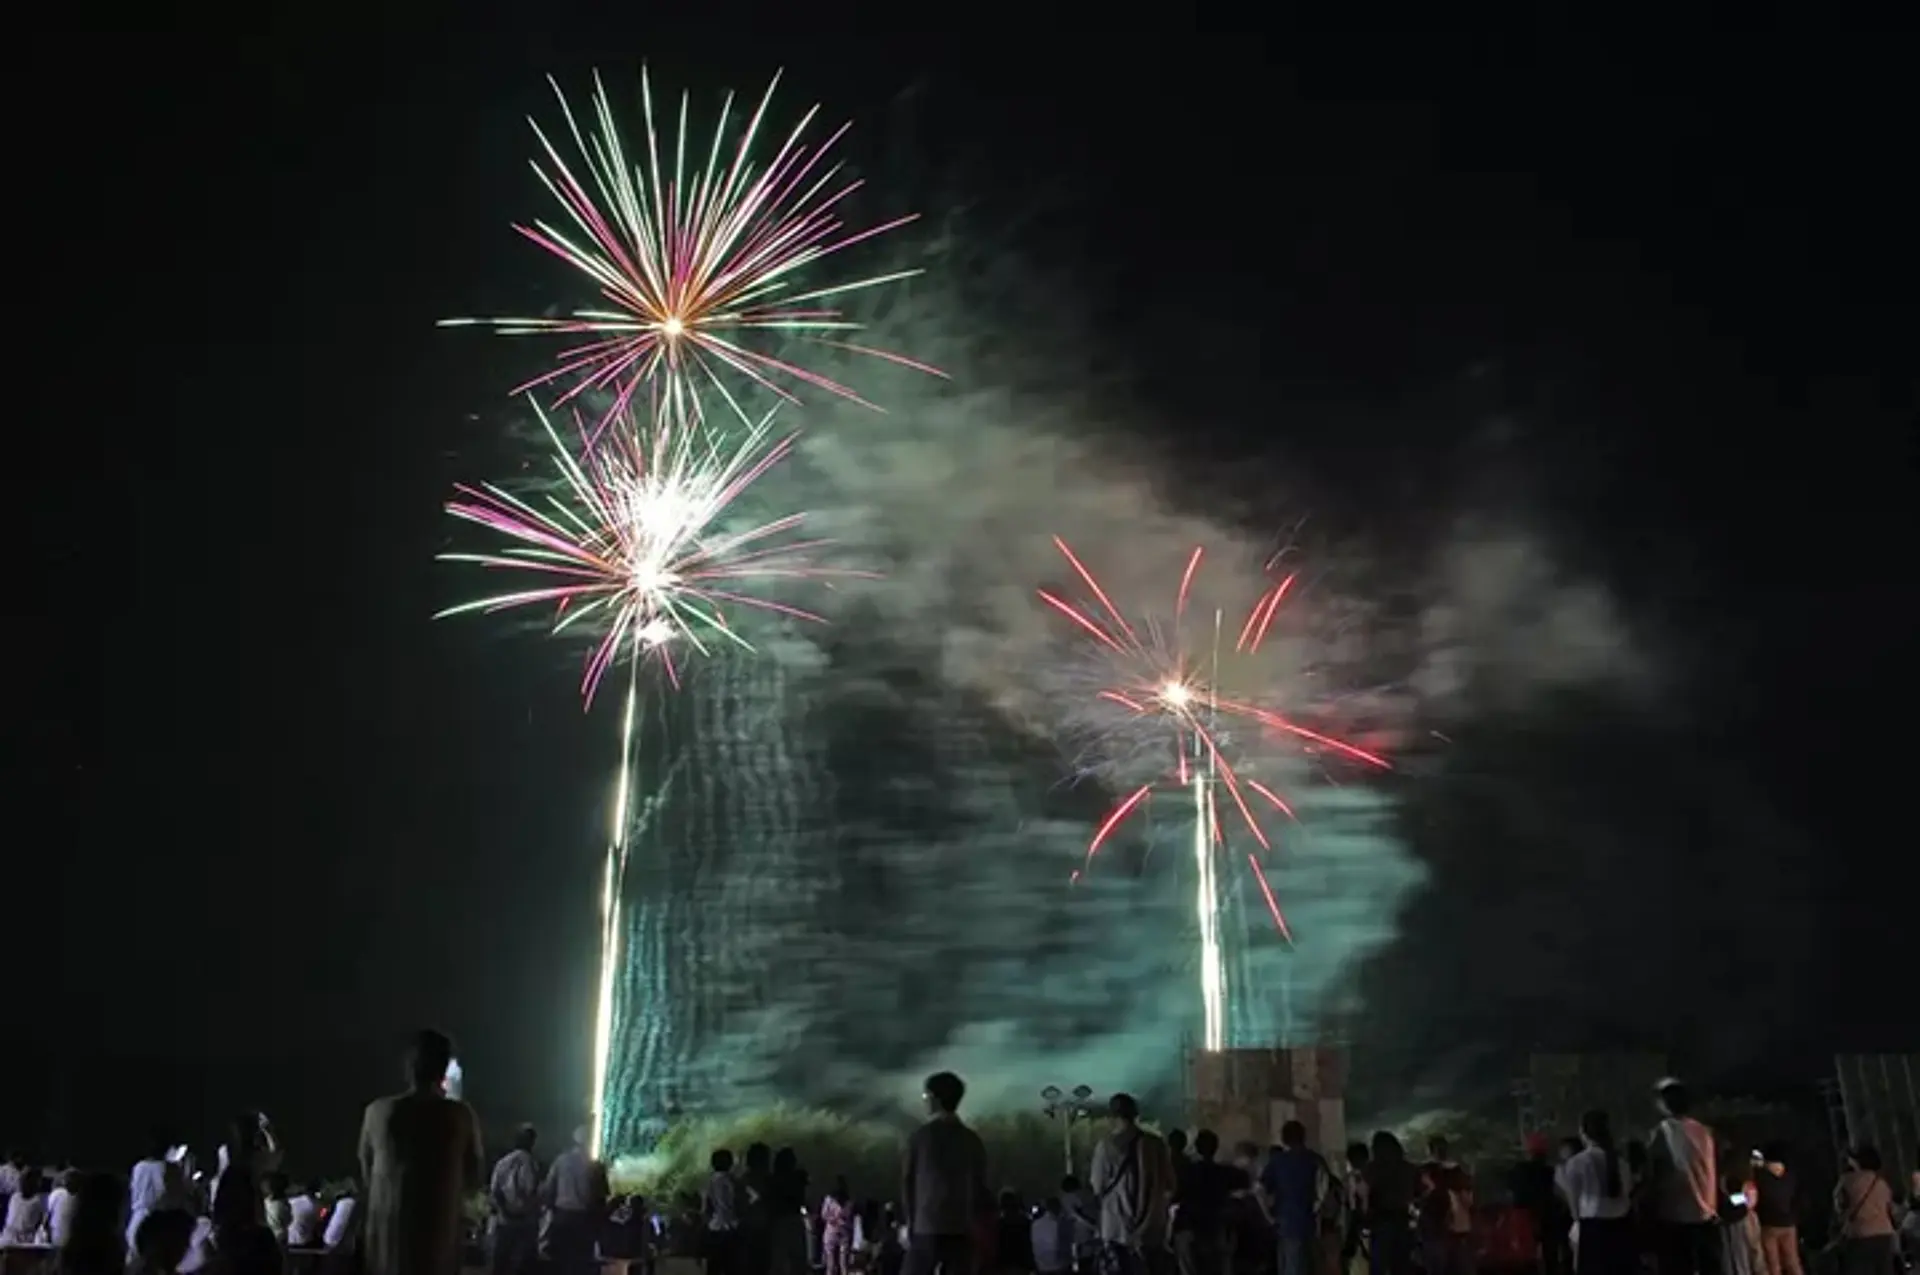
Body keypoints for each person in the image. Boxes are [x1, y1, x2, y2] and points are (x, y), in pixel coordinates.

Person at [358, 1027, 486, 1275]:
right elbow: (474, 1176)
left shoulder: (378, 1112)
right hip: (436, 1246)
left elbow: (366, 1171)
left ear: (408, 1066)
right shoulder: (459, 1116)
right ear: (444, 1069)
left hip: (386, 1247)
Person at [902, 1070, 991, 1275]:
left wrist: (909, 1221)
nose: (924, 1101)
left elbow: (907, 1182)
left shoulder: (921, 1138)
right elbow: (981, 1186)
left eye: (926, 1096)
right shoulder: (971, 1140)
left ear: (935, 1099)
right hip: (961, 1226)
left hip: (926, 1226)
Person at [1089, 1092, 1175, 1275]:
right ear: (1135, 1113)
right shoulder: (1156, 1144)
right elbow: (1170, 1184)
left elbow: (1097, 1186)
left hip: (1116, 1228)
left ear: (1112, 1116)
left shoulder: (1105, 1147)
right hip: (1151, 1228)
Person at [1647, 1079, 1721, 1275]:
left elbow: (1654, 1168)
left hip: (1676, 1212)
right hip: (1706, 1210)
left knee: (1677, 1266)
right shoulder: (1704, 1131)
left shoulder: (1664, 1130)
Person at [1556, 1111, 1635, 1275]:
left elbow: (1574, 1204)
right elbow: (1628, 1191)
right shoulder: (1620, 1162)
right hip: (1622, 1227)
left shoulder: (1577, 1163)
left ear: (1584, 1133)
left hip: (1594, 1230)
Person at [1261, 1122, 1330, 1275]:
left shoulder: (1278, 1161)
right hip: (1310, 1223)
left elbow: (1261, 1189)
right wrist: (1317, 1209)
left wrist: (1268, 1216)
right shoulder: (1315, 1160)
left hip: (1285, 1222)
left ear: (1283, 1138)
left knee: (1289, 1266)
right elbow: (1324, 1189)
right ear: (1303, 1137)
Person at [1174, 1129, 1243, 1275]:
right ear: (1215, 1148)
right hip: (1216, 1228)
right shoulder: (1226, 1173)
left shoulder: (1186, 1172)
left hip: (1188, 1227)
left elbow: (1175, 1195)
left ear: (1197, 1148)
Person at [543, 1125, 605, 1274]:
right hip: (585, 1220)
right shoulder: (596, 1166)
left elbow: (548, 1189)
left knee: (560, 1262)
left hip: (562, 1217)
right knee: (581, 1263)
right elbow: (601, 1197)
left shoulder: (561, 1161)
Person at [1831, 1146, 1897, 1275]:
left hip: (1859, 1235)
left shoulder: (1847, 1180)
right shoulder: (1881, 1182)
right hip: (1884, 1234)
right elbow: (1890, 1206)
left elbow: (1838, 1206)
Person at [489, 1125, 541, 1275]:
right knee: (523, 1265)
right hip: (524, 1222)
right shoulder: (530, 1163)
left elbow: (495, 1191)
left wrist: (504, 1210)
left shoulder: (502, 1163)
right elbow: (531, 1191)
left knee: (501, 1262)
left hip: (504, 1220)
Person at [1361, 1133, 1415, 1275]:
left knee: (1379, 1266)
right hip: (1403, 1220)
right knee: (1402, 1265)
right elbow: (1417, 1193)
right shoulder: (1408, 1168)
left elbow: (1365, 1197)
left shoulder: (1372, 1169)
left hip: (1380, 1221)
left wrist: (1364, 1222)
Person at [1752, 1147, 1801, 1275]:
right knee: (1793, 1262)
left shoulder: (1761, 1176)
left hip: (1769, 1224)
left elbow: (1755, 1197)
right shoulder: (1790, 1175)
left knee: (1773, 1264)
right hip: (1789, 1222)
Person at [1, 1167, 47, 1246]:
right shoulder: (16, 1197)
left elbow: (38, 1224)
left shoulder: (35, 1202)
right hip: (12, 1240)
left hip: (17, 1241)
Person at [821, 1177, 855, 1275]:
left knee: (843, 1263)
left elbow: (848, 1215)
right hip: (832, 1232)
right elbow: (824, 1215)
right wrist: (834, 1220)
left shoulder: (847, 1201)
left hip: (843, 1232)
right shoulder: (829, 1200)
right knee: (831, 1264)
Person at [286, 1181, 322, 1249]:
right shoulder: (318, 1206)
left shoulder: (291, 1201)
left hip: (289, 1240)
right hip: (306, 1242)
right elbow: (319, 1223)